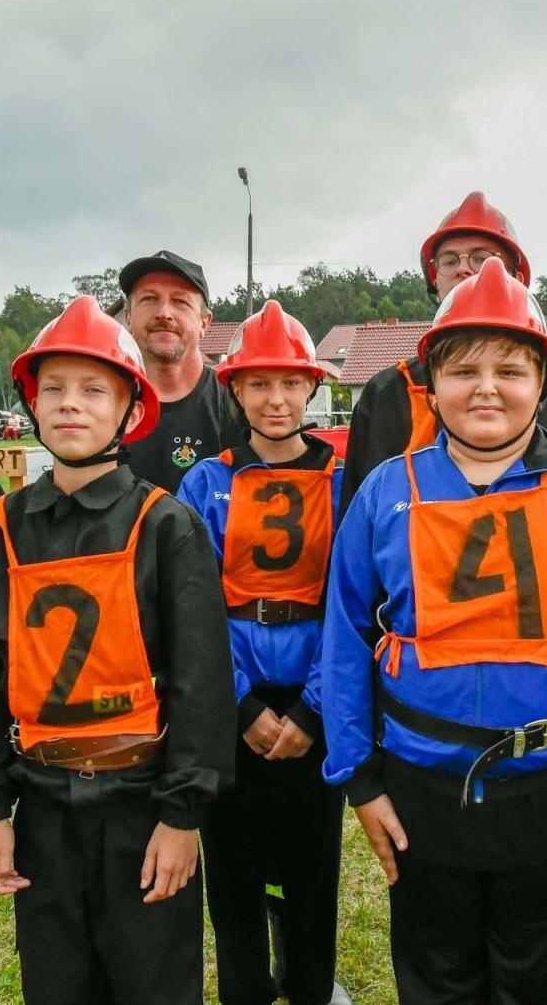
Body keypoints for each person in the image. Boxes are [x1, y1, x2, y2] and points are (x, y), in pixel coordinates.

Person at [322, 258, 547, 1004]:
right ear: (431, 384)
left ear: (543, 382)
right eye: (463, 370)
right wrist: (360, 780)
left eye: (510, 370)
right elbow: (344, 637)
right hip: (419, 790)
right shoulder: (386, 490)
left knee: (538, 981)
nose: (485, 388)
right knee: (437, 981)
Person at [0, 295, 236, 1005]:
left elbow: (202, 682)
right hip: (43, 809)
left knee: (155, 988)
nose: (70, 404)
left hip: (141, 807)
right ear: (31, 403)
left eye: (93, 390)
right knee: (57, 987)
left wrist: (182, 816)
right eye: (53, 389)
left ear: (130, 410)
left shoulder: (166, 525)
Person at [177, 300, 348, 1005]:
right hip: (234, 706)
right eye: (259, 384)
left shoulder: (345, 481)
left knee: (313, 872)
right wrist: (242, 705)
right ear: (236, 390)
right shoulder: (205, 482)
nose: (276, 399)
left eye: (290, 383)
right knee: (233, 872)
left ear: (311, 387)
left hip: (315, 706)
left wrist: (313, 709)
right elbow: (195, 606)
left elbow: (350, 604)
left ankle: (310, 989)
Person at [340, 191, 547, 509]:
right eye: (450, 261)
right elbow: (358, 510)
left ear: (517, 279)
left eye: (482, 258)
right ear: (434, 280)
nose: (463, 269)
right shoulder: (385, 393)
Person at [117, 249, 249, 492]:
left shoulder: (237, 406)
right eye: (149, 299)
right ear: (128, 317)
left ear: (204, 322)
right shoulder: (105, 406)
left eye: (180, 301)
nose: (164, 313)